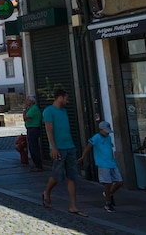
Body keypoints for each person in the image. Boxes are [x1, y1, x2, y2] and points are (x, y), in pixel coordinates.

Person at [42, 88, 85, 216]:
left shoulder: (64, 111)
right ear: (59, 97)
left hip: (70, 146)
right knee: (57, 175)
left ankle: (73, 206)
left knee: (72, 176)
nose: (68, 100)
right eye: (66, 97)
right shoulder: (49, 111)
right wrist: (53, 147)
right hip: (59, 147)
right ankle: (47, 192)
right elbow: (49, 130)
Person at [79, 121, 123, 212]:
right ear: (101, 129)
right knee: (108, 183)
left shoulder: (108, 137)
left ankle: (109, 193)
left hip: (112, 162)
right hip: (103, 163)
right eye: (105, 131)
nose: (107, 133)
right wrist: (83, 157)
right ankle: (108, 203)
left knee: (119, 182)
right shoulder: (96, 137)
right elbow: (88, 147)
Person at [23, 95, 44, 171]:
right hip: (30, 129)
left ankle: (38, 165)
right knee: (32, 147)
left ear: (32, 101)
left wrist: (24, 111)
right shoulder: (30, 109)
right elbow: (25, 119)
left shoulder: (34, 108)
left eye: (27, 100)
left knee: (34, 147)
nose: (26, 102)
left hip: (33, 129)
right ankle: (36, 164)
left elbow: (25, 117)